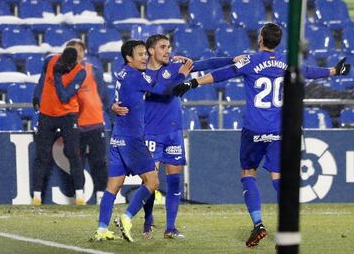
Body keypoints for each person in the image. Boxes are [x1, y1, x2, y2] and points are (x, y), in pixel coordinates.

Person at [172, 23, 351, 247]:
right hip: (279, 130)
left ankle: (258, 223)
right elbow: (311, 72)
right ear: (277, 41)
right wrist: (335, 71)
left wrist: (192, 82)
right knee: (278, 178)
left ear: (260, 39)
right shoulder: (287, 62)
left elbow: (222, 74)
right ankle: (286, 227)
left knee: (248, 172)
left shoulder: (251, 60)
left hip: (254, 129)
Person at [113, 34, 236, 239]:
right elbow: (162, 90)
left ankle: (170, 227)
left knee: (174, 180)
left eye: (169, 46)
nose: (168, 50)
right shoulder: (142, 74)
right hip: (151, 132)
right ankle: (146, 220)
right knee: (151, 182)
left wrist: (231, 59)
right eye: (163, 47)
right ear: (151, 50)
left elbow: (206, 64)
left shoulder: (174, 66)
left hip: (174, 132)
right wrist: (113, 106)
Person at [91, 40, 193, 243]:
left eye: (146, 54)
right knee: (152, 181)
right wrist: (182, 74)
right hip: (132, 139)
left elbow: (119, 97)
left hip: (117, 137)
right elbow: (164, 91)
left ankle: (102, 229)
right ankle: (127, 217)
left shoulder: (122, 73)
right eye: (140, 54)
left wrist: (112, 105)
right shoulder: (137, 77)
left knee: (113, 186)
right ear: (129, 58)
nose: (145, 57)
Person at [32, 47, 88, 206]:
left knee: (73, 153)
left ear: (72, 64)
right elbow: (42, 79)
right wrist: (37, 94)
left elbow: (64, 97)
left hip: (68, 115)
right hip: (47, 115)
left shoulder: (80, 72)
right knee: (41, 155)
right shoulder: (50, 60)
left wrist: (57, 76)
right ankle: (36, 197)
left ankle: (79, 196)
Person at [66, 39, 108, 205]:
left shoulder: (94, 71)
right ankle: (79, 197)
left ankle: (100, 197)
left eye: (80, 50)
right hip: (74, 126)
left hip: (95, 124)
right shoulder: (62, 73)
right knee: (77, 163)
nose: (77, 53)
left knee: (99, 162)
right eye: (73, 50)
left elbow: (104, 96)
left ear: (84, 53)